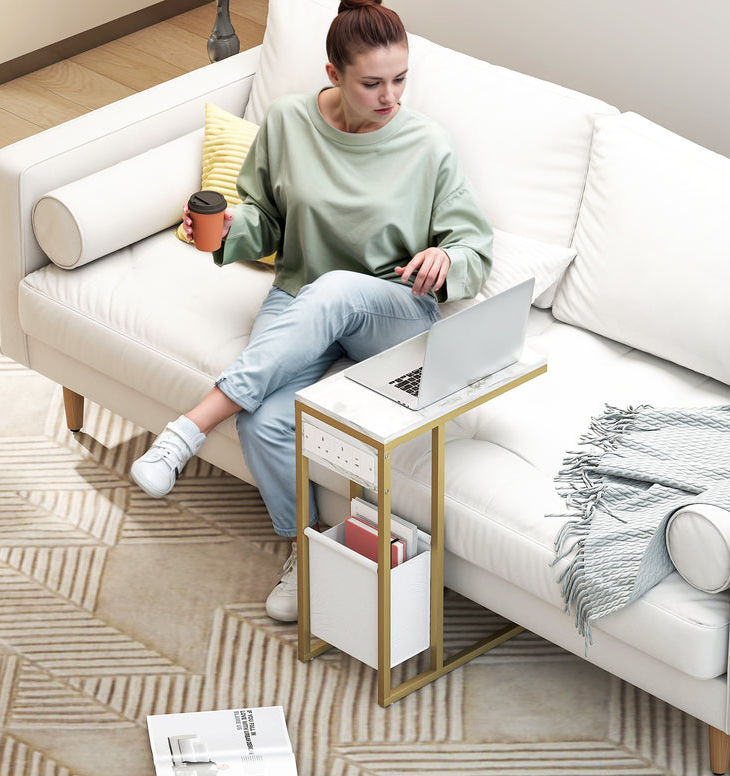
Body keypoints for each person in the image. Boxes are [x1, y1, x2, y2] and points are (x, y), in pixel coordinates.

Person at [130, 0, 493, 622]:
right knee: (262, 423)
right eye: (372, 82)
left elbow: (476, 250)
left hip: (392, 312)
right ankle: (305, 549)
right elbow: (263, 218)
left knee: (338, 290)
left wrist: (444, 258)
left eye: (400, 79)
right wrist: (221, 236)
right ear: (333, 74)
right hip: (301, 298)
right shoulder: (288, 123)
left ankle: (186, 430)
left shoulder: (428, 145)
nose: (390, 96)